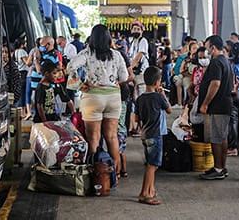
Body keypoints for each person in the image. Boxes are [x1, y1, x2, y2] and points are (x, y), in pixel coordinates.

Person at [67, 24, 128, 175]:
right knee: (112, 136)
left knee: (93, 138)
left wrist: (80, 85)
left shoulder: (87, 53)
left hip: (93, 97)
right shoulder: (116, 55)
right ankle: (115, 175)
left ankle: (97, 177)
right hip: (113, 97)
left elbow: (70, 67)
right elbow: (125, 77)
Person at [135, 66, 172, 205]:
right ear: (157, 82)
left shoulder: (140, 99)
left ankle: (149, 190)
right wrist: (162, 94)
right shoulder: (158, 97)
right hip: (156, 135)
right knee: (153, 165)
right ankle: (145, 193)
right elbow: (168, 110)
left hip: (145, 134)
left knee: (151, 164)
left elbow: (137, 119)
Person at [199, 35, 233, 180]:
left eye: (207, 48)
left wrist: (205, 103)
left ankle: (218, 169)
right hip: (225, 104)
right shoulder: (225, 61)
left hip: (217, 105)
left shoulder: (216, 63)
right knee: (222, 137)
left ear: (213, 48)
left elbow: (215, 84)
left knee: (216, 138)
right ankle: (221, 167)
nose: (206, 51)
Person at [115, 39, 135, 179]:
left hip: (120, 95)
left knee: (118, 130)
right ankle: (121, 169)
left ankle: (118, 170)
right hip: (116, 95)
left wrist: (116, 83)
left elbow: (130, 76)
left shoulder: (120, 55)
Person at [14, 37, 30, 116]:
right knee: (24, 93)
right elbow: (27, 62)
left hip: (18, 72)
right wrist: (32, 58)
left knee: (20, 92)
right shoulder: (22, 51)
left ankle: (21, 112)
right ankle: (23, 112)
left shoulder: (15, 51)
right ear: (22, 44)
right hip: (24, 73)